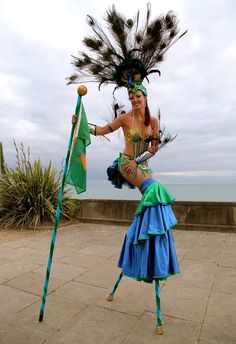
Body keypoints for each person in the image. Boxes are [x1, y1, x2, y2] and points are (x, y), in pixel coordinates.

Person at [69, 4, 186, 335]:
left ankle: (141, 246)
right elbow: (102, 132)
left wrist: (142, 160)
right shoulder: (124, 119)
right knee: (155, 192)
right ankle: (152, 251)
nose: (135, 99)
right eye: (132, 95)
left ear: (145, 98)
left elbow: (152, 149)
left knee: (153, 195)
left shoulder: (152, 121)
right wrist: (82, 125)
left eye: (139, 96)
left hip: (139, 164)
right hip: (124, 165)